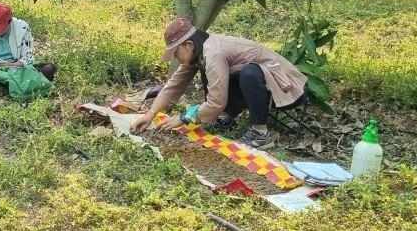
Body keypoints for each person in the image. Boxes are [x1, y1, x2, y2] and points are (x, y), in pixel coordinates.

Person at [130, 16, 307, 149]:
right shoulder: (200, 54)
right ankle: (225, 117)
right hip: (261, 86)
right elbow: (174, 85)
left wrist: (183, 117)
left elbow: (216, 101)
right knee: (218, 73)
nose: (175, 58)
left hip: (285, 90)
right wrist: (151, 114)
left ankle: (260, 133)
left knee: (249, 73)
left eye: (176, 53)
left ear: (189, 45)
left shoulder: (213, 54)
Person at [0, 2, 57, 93]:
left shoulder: (22, 28)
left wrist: (12, 65)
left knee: (49, 68)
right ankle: (25, 85)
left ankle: (5, 87)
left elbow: (28, 58)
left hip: (17, 68)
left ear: (10, 22)